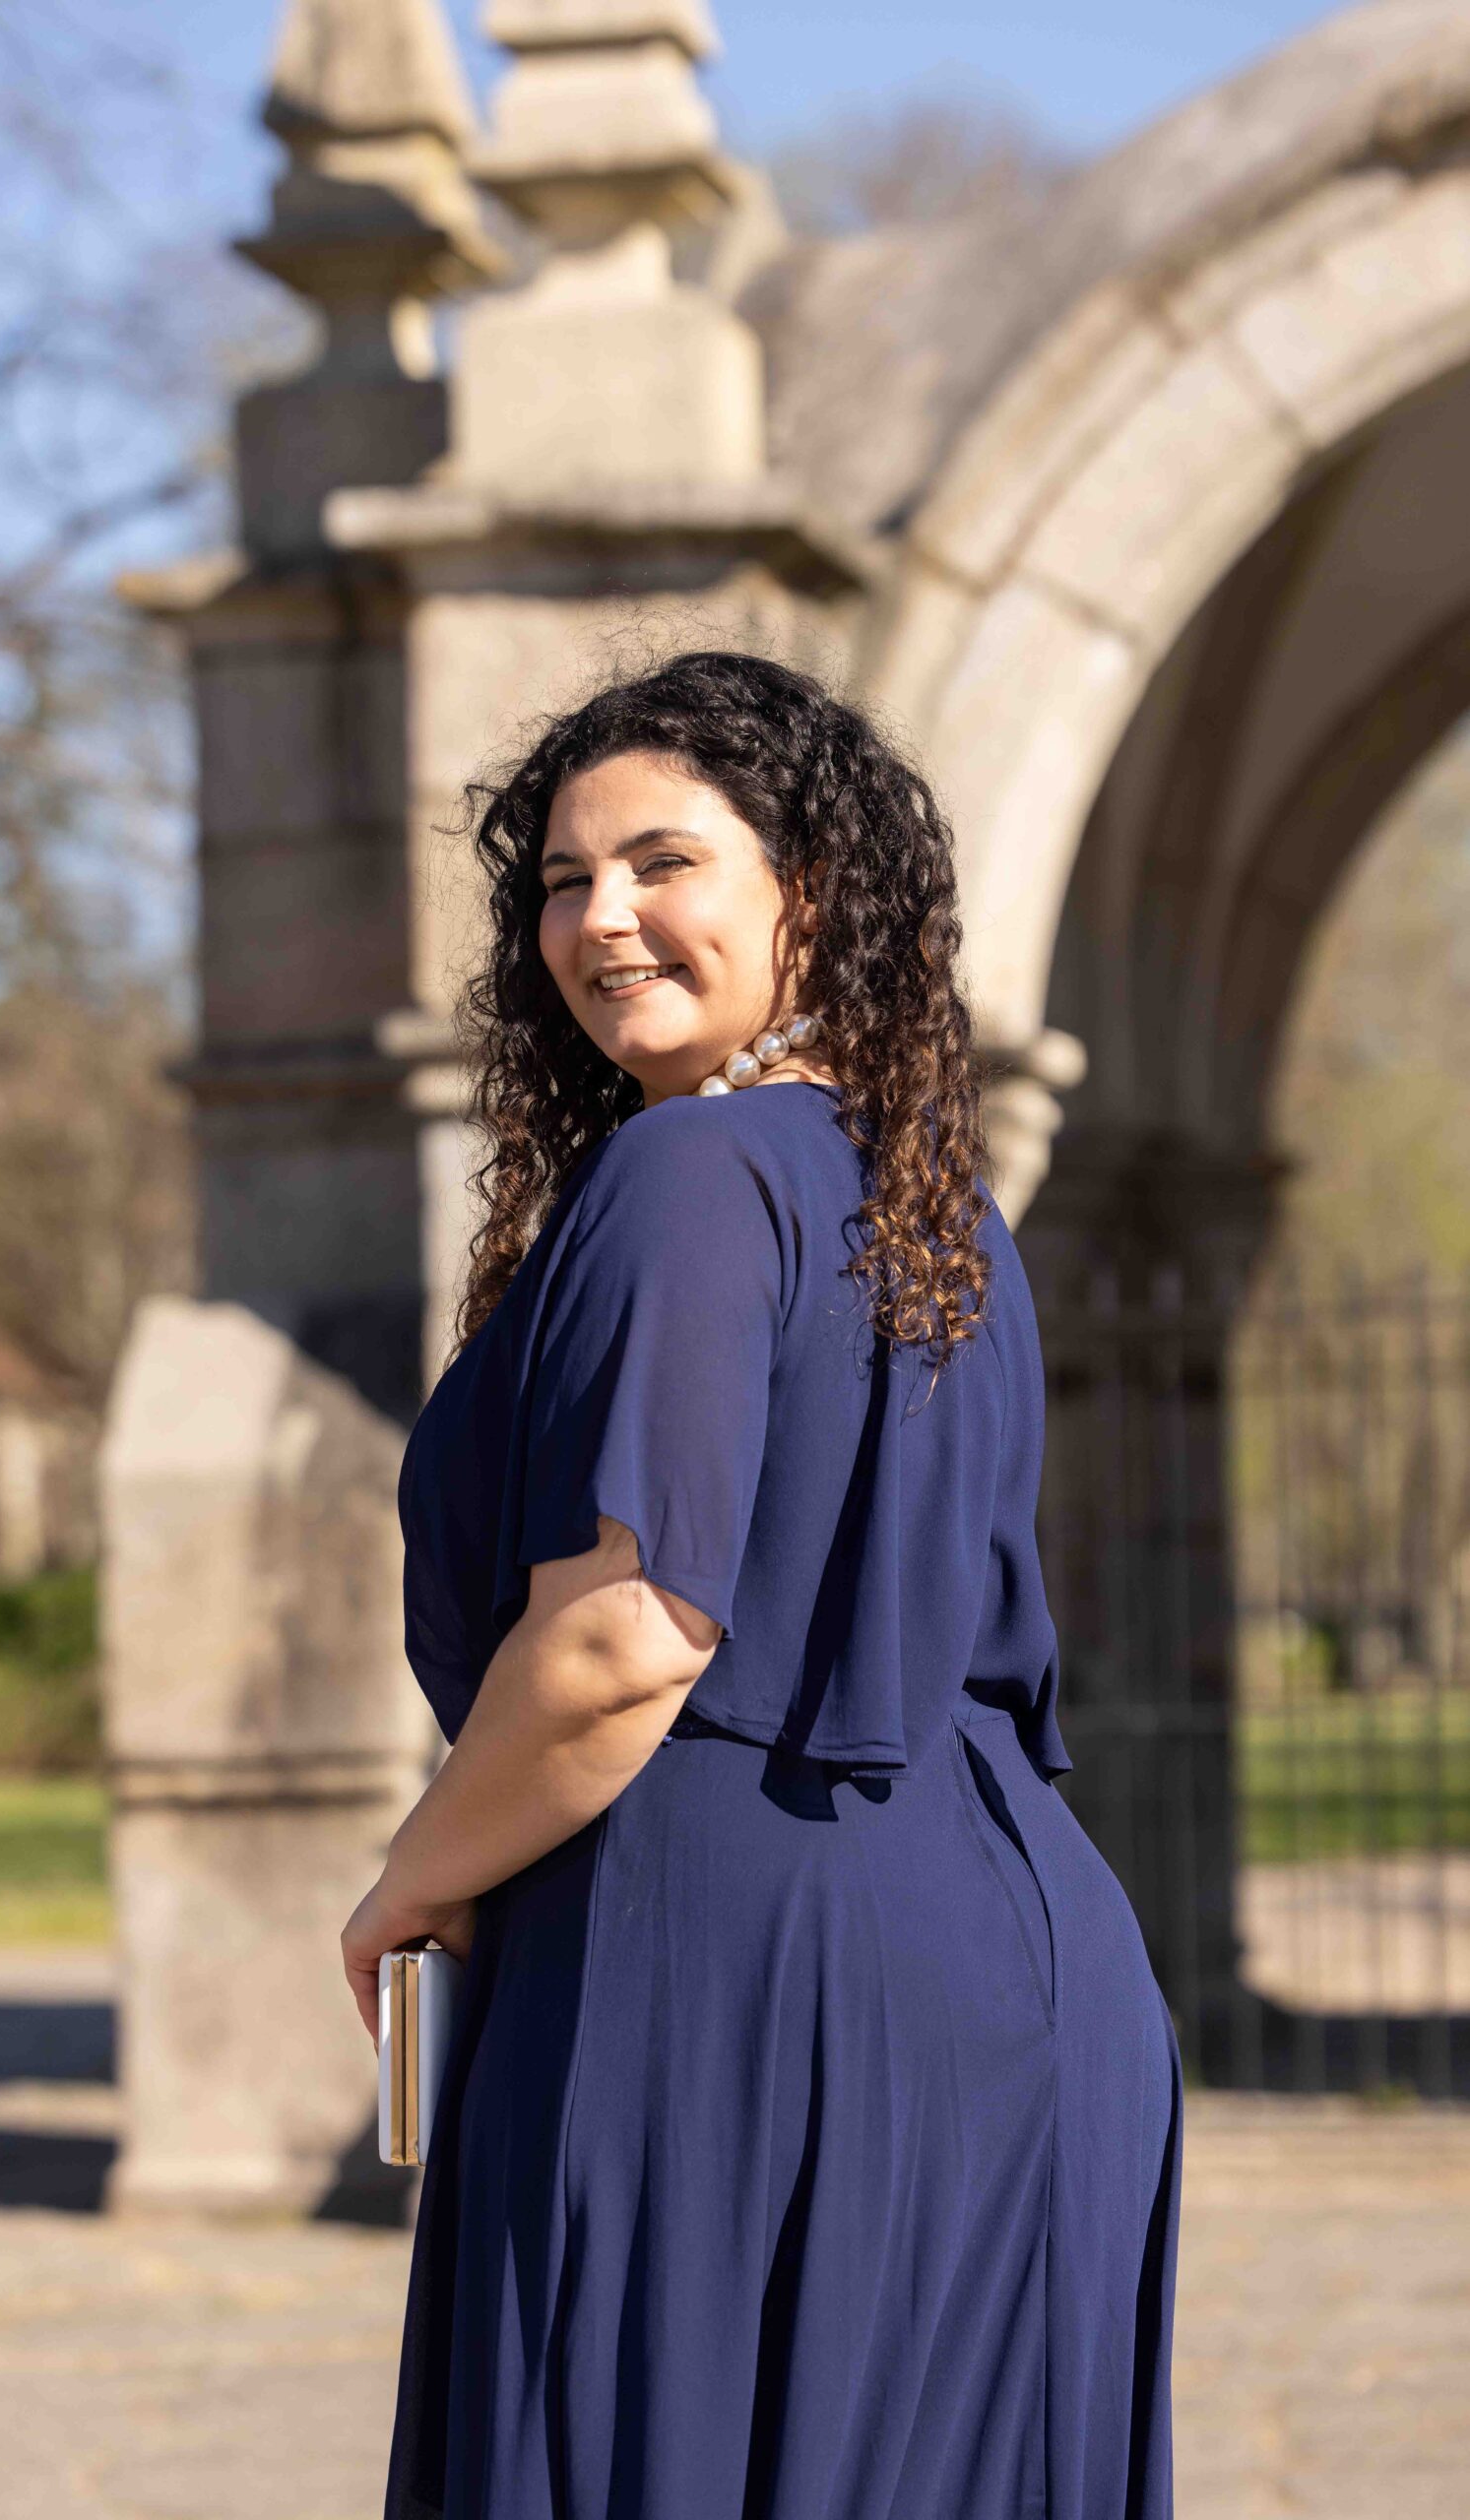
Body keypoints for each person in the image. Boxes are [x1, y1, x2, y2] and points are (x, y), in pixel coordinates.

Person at [341, 650, 1181, 2520]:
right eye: (565, 880)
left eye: (665, 863)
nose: (601, 918)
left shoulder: (693, 1172)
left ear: (816, 890)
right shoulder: (931, 1200)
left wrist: (417, 1876)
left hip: (727, 1972)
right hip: (1019, 1974)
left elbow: (626, 1635)